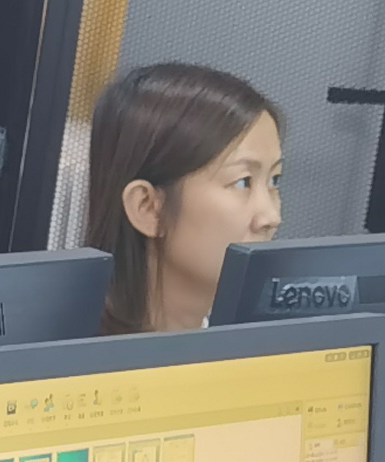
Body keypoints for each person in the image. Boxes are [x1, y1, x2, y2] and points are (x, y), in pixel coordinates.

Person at [85, 60, 285, 334]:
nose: (271, 217)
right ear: (147, 207)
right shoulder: (72, 357)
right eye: (243, 182)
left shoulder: (262, 345)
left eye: (274, 180)